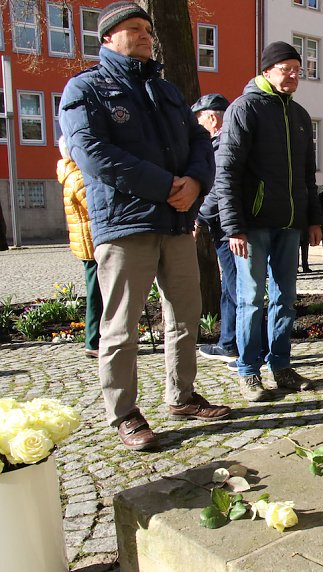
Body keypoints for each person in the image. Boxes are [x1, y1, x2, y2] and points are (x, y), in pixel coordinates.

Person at [59, 2, 230, 451]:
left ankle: (183, 395)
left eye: (148, 31)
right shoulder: (86, 88)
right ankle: (125, 413)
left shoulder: (166, 90)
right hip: (125, 223)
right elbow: (91, 154)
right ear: (108, 38)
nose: (144, 36)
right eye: (133, 29)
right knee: (121, 325)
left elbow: (199, 142)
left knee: (185, 315)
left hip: (176, 221)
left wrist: (195, 183)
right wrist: (165, 185)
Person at [216, 41, 322, 401]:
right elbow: (227, 171)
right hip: (253, 226)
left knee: (285, 300)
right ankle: (248, 371)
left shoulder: (300, 116)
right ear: (266, 71)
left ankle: (281, 366)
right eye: (285, 69)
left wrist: (312, 220)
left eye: (297, 69)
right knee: (250, 300)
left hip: (289, 224)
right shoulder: (244, 109)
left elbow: (308, 175)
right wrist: (233, 226)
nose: (293, 75)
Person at [191, 93, 241, 364]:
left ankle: (236, 344)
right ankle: (232, 341)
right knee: (234, 285)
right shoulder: (228, 141)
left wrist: (198, 214)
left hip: (227, 225)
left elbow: (219, 187)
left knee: (235, 285)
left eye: (198, 121)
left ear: (211, 118)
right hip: (229, 223)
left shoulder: (222, 144)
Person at [57, 136, 102, 359]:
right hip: (91, 242)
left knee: (97, 291)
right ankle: (93, 340)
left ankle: (95, 338)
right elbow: (94, 206)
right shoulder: (77, 177)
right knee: (96, 293)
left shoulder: (71, 174)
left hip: (87, 241)